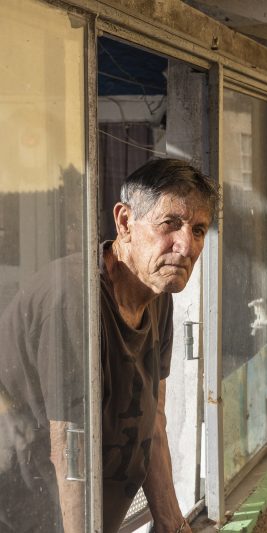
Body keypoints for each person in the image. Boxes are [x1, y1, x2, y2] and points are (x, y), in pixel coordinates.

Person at [0, 159, 218, 532]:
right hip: (32, 517)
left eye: (198, 230)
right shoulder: (75, 295)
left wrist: (173, 525)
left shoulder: (157, 292)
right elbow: (71, 448)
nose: (186, 246)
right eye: (170, 224)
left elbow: (154, 422)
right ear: (124, 222)